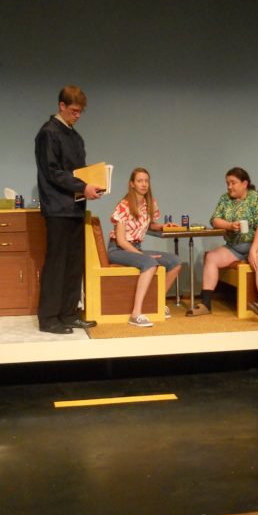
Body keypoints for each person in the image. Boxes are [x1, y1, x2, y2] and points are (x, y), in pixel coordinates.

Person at [34, 85, 104, 334]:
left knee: (74, 263)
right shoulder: (48, 133)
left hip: (75, 207)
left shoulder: (75, 136)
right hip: (57, 208)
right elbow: (53, 172)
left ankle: (69, 312)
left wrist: (92, 185)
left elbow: (79, 172)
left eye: (81, 112)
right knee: (57, 263)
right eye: (74, 110)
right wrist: (82, 186)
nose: (78, 115)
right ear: (61, 106)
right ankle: (49, 318)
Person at [189, 166, 258, 318]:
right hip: (237, 246)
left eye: (233, 183)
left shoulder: (257, 199)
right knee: (211, 257)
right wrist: (229, 225)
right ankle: (206, 303)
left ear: (244, 183)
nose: (229, 186)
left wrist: (253, 251)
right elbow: (215, 220)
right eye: (227, 183)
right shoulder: (225, 199)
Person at [107, 168, 182, 327]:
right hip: (118, 250)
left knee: (175, 262)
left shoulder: (150, 203)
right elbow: (121, 240)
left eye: (146, 181)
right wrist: (141, 256)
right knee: (149, 263)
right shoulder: (124, 205)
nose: (144, 184)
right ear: (132, 184)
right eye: (140, 181)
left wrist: (164, 226)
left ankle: (155, 302)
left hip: (136, 247)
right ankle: (135, 314)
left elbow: (149, 226)